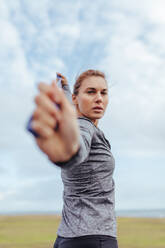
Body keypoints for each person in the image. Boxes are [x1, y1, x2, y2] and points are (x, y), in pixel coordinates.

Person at [30, 69, 118, 248]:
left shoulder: (84, 125)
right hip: (94, 238)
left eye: (104, 92)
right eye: (91, 92)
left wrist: (66, 90)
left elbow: (73, 114)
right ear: (77, 99)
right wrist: (64, 151)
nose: (99, 98)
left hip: (66, 236)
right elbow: (77, 147)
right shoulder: (84, 127)